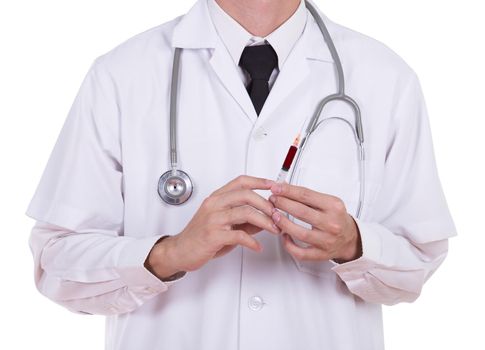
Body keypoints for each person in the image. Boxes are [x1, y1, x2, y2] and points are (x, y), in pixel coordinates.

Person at [25, 0, 457, 349]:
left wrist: (353, 244)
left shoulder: (385, 77)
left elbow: (417, 263)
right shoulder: (122, 75)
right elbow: (57, 265)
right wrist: (168, 254)